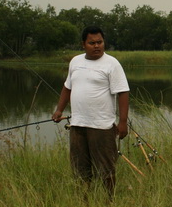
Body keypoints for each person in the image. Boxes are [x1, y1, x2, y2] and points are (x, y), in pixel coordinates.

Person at [52, 26, 130, 197]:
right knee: (80, 169)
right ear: (83, 44)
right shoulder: (75, 62)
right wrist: (59, 110)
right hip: (78, 125)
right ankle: (84, 202)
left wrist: (123, 122)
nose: (97, 46)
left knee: (106, 169)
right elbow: (67, 87)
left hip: (102, 126)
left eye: (100, 42)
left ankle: (110, 201)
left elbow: (123, 92)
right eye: (92, 43)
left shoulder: (112, 64)